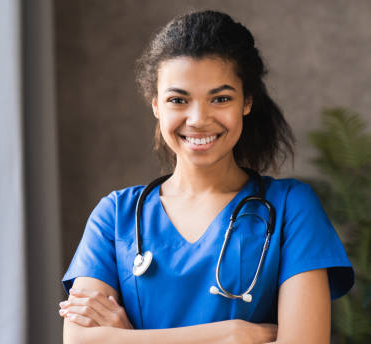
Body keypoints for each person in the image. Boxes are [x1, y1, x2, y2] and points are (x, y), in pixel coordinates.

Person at [58, 10, 354, 344]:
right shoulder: (115, 216)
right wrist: (231, 334)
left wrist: (131, 338)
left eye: (221, 98)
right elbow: (80, 340)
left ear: (247, 102)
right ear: (156, 105)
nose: (198, 119)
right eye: (178, 100)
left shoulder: (292, 208)